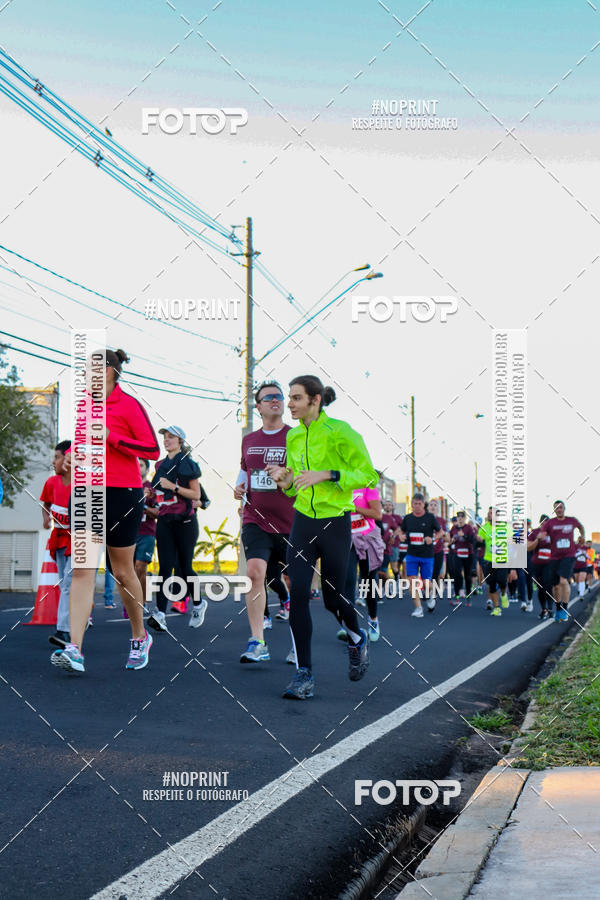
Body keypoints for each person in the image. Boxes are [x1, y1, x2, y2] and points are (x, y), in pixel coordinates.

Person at [267, 376, 376, 700]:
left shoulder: (341, 432)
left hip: (335, 523)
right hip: (303, 521)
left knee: (332, 599)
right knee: (298, 592)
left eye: (296, 398)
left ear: (315, 400)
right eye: (289, 398)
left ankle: (357, 638)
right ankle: (304, 674)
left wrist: (328, 475)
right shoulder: (294, 436)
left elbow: (367, 474)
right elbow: (292, 484)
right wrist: (282, 479)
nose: (290, 404)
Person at [51, 349, 160, 673]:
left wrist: (113, 438)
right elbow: (83, 443)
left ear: (110, 371)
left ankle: (140, 637)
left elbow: (151, 449)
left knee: (122, 572)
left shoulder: (129, 405)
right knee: (83, 570)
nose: (86, 376)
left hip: (122, 493)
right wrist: (70, 456)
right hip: (85, 491)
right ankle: (75, 649)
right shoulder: (85, 404)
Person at [233, 381, 294, 663]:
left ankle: (298, 645)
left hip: (292, 521)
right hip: (255, 517)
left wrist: (285, 476)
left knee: (296, 583)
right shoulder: (249, 440)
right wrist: (239, 487)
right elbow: (245, 470)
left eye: (279, 397)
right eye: (268, 397)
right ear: (258, 407)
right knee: (255, 573)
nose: (276, 400)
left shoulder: (296, 437)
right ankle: (258, 641)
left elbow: (305, 474)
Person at [147, 426, 207, 632]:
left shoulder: (187, 464)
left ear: (180, 440)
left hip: (185, 522)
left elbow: (197, 495)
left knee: (185, 567)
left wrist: (174, 487)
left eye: (171, 437)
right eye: (164, 437)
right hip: (164, 520)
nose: (166, 440)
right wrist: (150, 494)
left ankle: (199, 604)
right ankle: (161, 614)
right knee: (164, 568)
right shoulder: (160, 465)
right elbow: (159, 494)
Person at [341, 484, 385, 642]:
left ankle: (373, 619)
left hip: (367, 538)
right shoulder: (341, 483)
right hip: (347, 539)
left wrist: (353, 508)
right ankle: (348, 624)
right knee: (347, 580)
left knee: (368, 583)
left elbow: (377, 513)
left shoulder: (367, 486)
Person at [41, 440, 72, 648]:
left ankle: (65, 630)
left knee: (69, 583)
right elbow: (46, 504)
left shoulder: (82, 484)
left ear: (69, 459)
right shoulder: (51, 483)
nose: (53, 461)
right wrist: (45, 519)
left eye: (57, 457)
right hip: (59, 538)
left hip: (78, 540)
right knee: (65, 584)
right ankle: (76, 618)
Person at [398, 493, 443, 617]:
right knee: (412, 581)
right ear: (412, 504)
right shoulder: (407, 518)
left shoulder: (430, 518)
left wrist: (433, 538)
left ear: (424, 504)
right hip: (412, 554)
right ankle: (418, 608)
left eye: (419, 504)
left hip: (427, 555)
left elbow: (440, 532)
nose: (417, 506)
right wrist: (401, 536)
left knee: (426, 583)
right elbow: (401, 531)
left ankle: (429, 597)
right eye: (415, 504)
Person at [541, 500, 584, 622]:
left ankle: (564, 609)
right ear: (554, 510)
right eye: (556, 508)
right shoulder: (550, 523)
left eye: (560, 507)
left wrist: (582, 536)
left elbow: (580, 527)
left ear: (564, 508)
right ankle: (559, 608)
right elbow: (543, 533)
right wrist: (541, 537)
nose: (559, 510)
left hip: (568, 555)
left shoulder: (572, 520)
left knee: (563, 580)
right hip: (554, 557)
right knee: (555, 586)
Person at [477, 507, 510, 616]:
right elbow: (479, 538)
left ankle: (504, 594)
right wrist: (478, 539)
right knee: (491, 584)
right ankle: (497, 608)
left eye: (493, 513)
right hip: (488, 560)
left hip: (502, 559)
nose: (491, 515)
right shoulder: (484, 528)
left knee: (501, 581)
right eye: (490, 513)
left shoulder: (505, 527)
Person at [134, 458, 158, 609]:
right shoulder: (128, 487)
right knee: (127, 572)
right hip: (129, 534)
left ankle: (142, 602)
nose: (138, 467)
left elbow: (158, 512)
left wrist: (142, 507)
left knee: (140, 566)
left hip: (146, 533)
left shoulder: (152, 489)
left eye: (141, 465)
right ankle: (132, 600)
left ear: (147, 470)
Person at [528, 514, 553, 619]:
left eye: (546, 522)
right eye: (542, 522)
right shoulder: (534, 532)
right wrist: (537, 540)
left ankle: (550, 608)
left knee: (548, 585)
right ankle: (543, 609)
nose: (544, 524)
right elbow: (528, 548)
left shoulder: (553, 533)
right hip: (537, 563)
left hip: (550, 563)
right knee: (540, 587)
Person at [449, 511, 476, 605]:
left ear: (465, 518)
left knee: (468, 576)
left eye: (462, 517)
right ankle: (456, 597)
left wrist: (464, 535)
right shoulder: (453, 528)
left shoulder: (468, 527)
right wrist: (452, 541)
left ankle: (468, 597)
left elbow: (473, 540)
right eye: (458, 516)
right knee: (457, 574)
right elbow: (450, 540)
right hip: (457, 553)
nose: (460, 518)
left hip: (468, 554)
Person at [427, 499, 447, 593]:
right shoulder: (423, 518)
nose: (433, 506)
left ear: (438, 508)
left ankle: (432, 592)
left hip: (438, 550)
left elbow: (447, 536)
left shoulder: (442, 521)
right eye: (431, 505)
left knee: (436, 574)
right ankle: (428, 590)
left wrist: (442, 535)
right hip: (426, 550)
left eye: (435, 505)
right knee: (426, 573)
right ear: (427, 507)